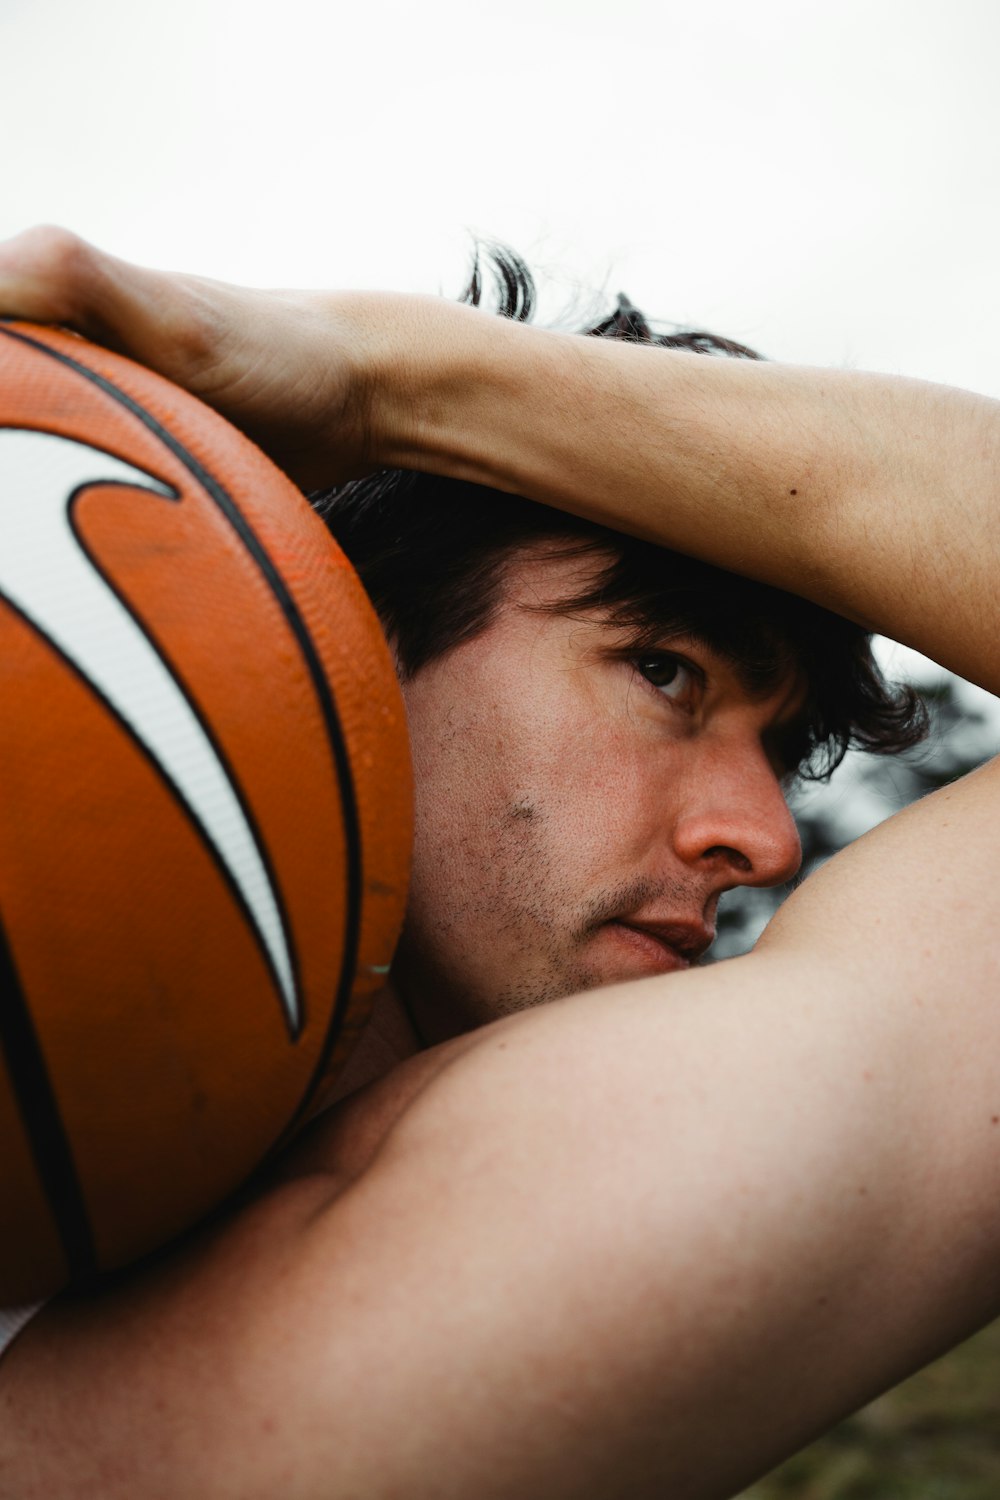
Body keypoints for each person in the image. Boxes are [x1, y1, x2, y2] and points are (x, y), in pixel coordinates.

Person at [0, 226, 997, 1500]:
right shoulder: (358, 1300)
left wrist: (381, 381)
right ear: (343, 639)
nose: (764, 837)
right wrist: (394, 389)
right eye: (664, 671)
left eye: (784, 745)